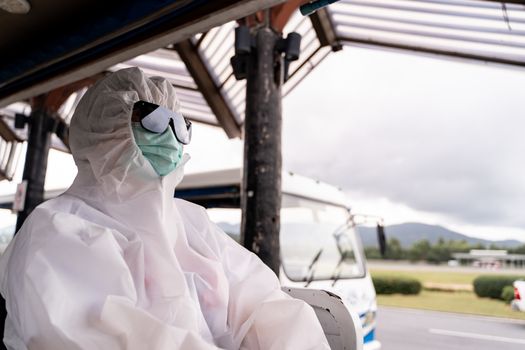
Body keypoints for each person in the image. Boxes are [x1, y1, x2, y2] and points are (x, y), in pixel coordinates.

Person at [0, 67, 330, 349]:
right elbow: (98, 336)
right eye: (154, 119)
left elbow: (263, 302)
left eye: (179, 124)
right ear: (102, 131)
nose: (171, 135)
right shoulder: (57, 230)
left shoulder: (190, 222)